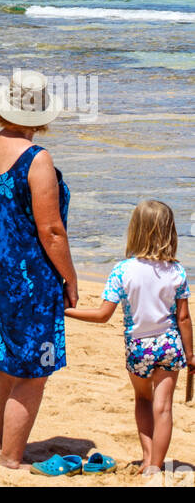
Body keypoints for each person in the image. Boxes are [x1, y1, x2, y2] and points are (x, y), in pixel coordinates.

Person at [0, 69, 77, 469]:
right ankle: (11, 458)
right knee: (32, 372)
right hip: (30, 278)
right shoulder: (37, 159)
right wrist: (69, 278)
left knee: (3, 361)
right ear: (42, 115)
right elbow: (51, 231)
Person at [66, 199, 193, 476]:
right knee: (164, 408)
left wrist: (67, 311)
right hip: (170, 345)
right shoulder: (177, 272)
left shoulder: (122, 271)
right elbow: (183, 318)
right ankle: (156, 466)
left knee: (143, 401)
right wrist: (191, 355)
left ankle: (147, 457)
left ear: (134, 230)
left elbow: (103, 315)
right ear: (169, 232)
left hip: (139, 347)